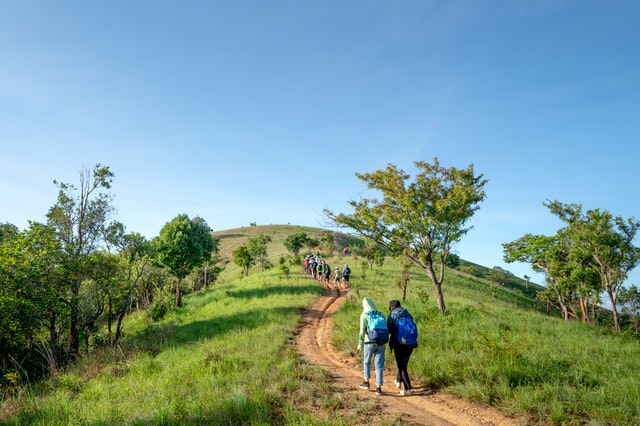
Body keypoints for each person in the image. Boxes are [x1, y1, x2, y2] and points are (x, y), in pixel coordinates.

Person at [387, 299, 418, 396]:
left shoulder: (392, 315)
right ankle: (398, 380)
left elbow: (389, 330)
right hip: (411, 343)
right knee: (403, 364)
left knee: (401, 366)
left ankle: (408, 388)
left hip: (399, 343)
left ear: (391, 307)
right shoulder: (407, 313)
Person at [358, 297, 386, 395]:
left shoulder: (364, 315)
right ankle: (378, 388)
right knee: (379, 365)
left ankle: (366, 382)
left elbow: (362, 331)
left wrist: (360, 344)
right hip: (381, 342)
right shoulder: (381, 314)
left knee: (366, 362)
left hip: (368, 342)